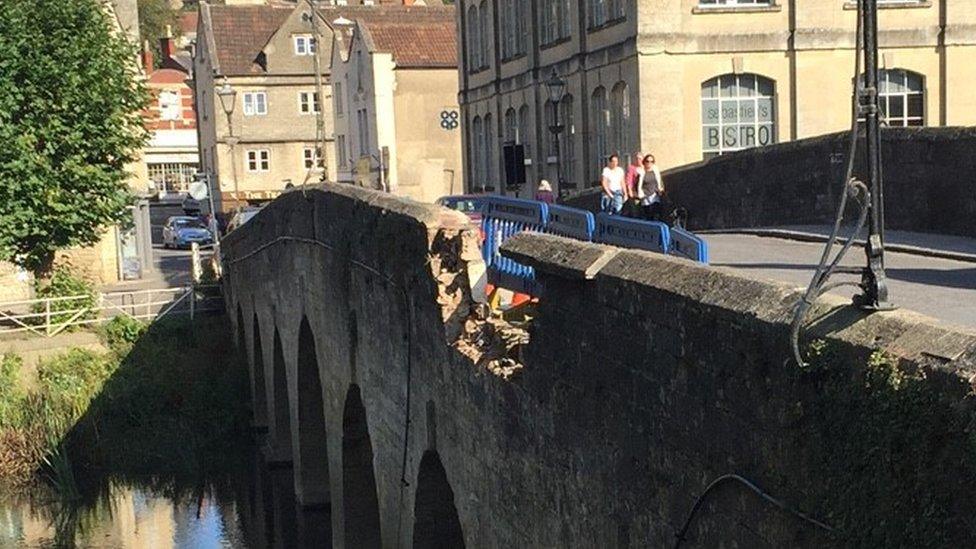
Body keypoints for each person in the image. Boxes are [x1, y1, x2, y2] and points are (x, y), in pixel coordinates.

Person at [637, 153, 666, 222]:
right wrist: (641, 194)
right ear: (644, 162)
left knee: (656, 214)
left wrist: (661, 189)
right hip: (646, 197)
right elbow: (637, 185)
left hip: (655, 196)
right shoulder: (641, 173)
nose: (649, 163)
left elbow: (660, 182)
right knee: (648, 216)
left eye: (651, 161)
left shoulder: (655, 172)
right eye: (647, 161)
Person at [623, 152, 643, 217]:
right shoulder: (632, 168)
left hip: (644, 191)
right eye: (636, 158)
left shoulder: (645, 168)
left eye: (640, 159)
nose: (638, 160)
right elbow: (629, 181)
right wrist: (630, 191)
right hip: (635, 191)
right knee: (635, 209)